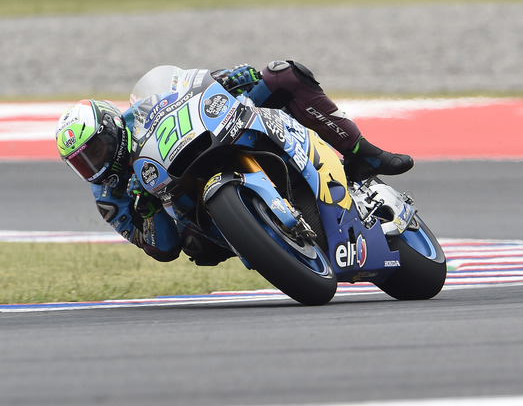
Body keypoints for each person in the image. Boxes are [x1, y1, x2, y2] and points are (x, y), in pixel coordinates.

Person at [55, 61, 413, 265]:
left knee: (281, 74)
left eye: (96, 151)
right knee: (198, 249)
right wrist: (148, 211)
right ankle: (261, 240)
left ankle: (361, 152)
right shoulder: (108, 197)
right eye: (83, 163)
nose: (95, 166)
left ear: (111, 129)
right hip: (190, 209)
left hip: (212, 138)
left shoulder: (137, 114)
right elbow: (162, 250)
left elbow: (185, 87)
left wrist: (227, 77)